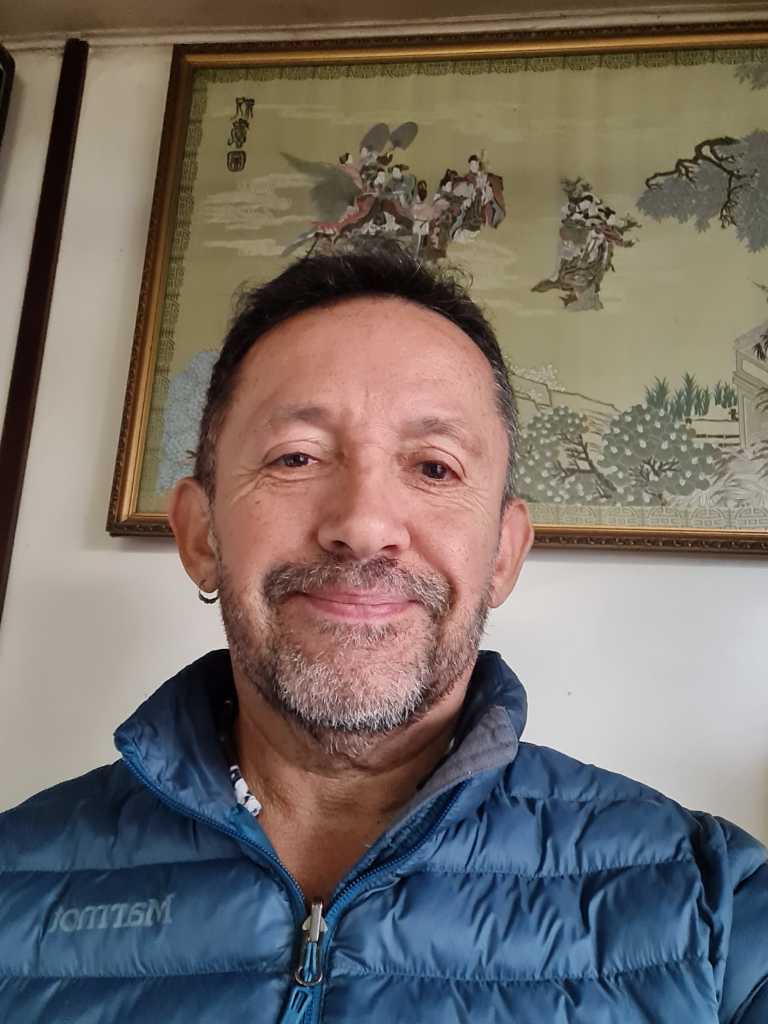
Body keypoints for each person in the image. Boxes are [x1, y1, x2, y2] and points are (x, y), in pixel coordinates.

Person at [0, 243, 766, 1023]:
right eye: (295, 457)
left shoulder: (716, 908)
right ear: (200, 534)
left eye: (434, 468)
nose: (364, 525)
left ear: (503, 554)